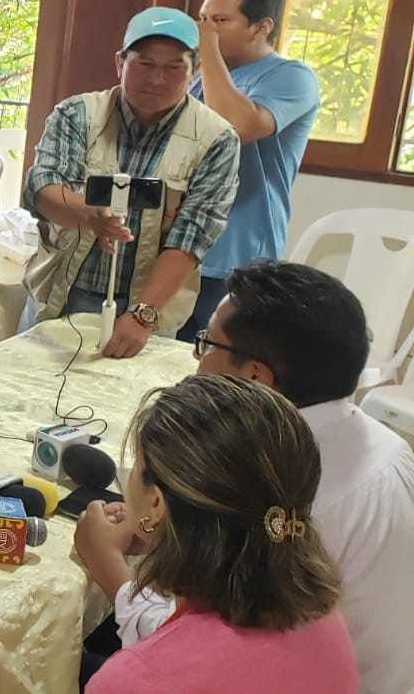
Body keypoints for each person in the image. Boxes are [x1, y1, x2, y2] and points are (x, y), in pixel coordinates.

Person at [78, 261, 414, 692]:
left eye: (206, 343)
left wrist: (108, 564)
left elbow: (202, 652)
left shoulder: (295, 492)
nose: (198, 360)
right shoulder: (384, 445)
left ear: (255, 376)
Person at [75, 374, 357, 693]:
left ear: (156, 502)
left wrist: (109, 557)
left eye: (137, 467)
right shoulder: (322, 617)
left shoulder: (130, 682)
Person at [23, 7, 239, 359]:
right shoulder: (77, 114)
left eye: (174, 68)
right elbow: (44, 187)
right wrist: (88, 215)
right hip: (58, 296)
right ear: (120, 62)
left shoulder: (217, 139)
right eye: (145, 64)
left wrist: (143, 314)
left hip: (149, 310)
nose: (157, 79)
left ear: (195, 71)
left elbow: (192, 236)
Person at [176, 0, 320, 340]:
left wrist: (206, 50)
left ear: (261, 27)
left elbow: (236, 127)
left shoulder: (291, 77)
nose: (206, 29)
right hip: (184, 248)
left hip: (239, 254)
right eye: (203, 19)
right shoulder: (201, 75)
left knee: (220, 366)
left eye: (220, 21)